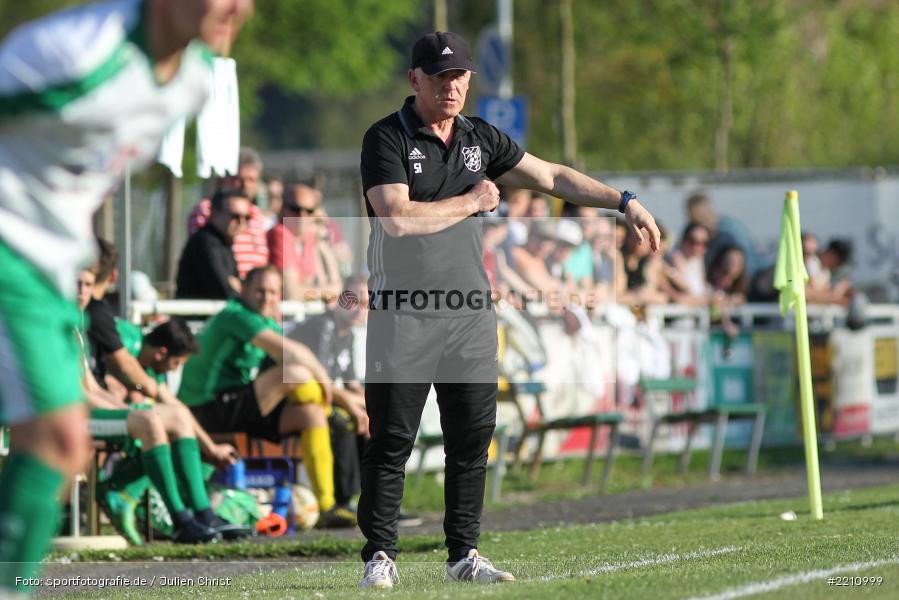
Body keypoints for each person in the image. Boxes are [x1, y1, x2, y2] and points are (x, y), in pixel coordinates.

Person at [357, 30, 660, 589]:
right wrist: (474, 199)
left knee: (472, 437)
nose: (454, 87)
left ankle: (463, 555)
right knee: (392, 439)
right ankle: (381, 554)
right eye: (442, 76)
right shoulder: (387, 139)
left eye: (462, 76)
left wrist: (623, 201)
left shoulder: (480, 138)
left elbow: (550, 177)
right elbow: (397, 218)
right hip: (404, 312)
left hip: (470, 313)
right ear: (415, 79)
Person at [0, 1, 252, 594]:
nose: (236, 8)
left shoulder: (192, 82)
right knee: (57, 438)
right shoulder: (76, 55)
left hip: (48, 273)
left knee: (64, 446)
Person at [178, 266, 357, 529]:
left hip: (238, 405)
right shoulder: (235, 315)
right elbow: (296, 356)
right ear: (244, 290)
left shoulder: (263, 321)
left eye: (273, 291)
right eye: (260, 290)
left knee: (311, 414)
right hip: (206, 407)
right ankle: (333, 412)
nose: (267, 297)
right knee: (293, 373)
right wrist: (335, 394)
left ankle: (327, 506)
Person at [77, 268, 245, 545]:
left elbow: (92, 389)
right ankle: (180, 521)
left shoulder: (75, 325)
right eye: (76, 283)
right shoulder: (105, 335)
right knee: (149, 421)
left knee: (175, 417)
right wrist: (130, 410)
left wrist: (126, 409)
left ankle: (202, 513)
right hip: (60, 415)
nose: (82, 291)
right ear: (162, 353)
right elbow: (81, 392)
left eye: (86, 284)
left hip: (89, 406)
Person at [188, 147, 270, 278]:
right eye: (239, 179)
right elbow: (205, 254)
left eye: (251, 180)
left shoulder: (257, 215)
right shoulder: (206, 210)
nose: (245, 185)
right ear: (224, 180)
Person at [176, 187, 250, 300]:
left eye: (247, 218)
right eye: (235, 216)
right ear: (215, 212)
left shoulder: (224, 243)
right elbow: (224, 290)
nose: (242, 223)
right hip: (196, 316)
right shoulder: (205, 243)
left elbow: (238, 287)